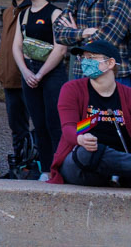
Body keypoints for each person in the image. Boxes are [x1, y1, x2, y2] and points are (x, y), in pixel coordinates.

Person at [49, 37, 129, 187]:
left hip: (120, 163)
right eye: (83, 57)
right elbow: (68, 128)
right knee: (88, 152)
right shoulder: (72, 89)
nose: (85, 61)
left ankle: (117, 172)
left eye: (91, 57)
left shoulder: (127, 95)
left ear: (110, 63)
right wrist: (80, 139)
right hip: (81, 165)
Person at [13, 0, 69, 178]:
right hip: (30, 72)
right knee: (38, 123)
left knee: (55, 121)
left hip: (52, 73)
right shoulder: (24, 14)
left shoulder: (55, 13)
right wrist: (26, 72)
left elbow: (60, 48)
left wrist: (41, 73)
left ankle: (61, 168)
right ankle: (46, 169)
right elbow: (16, 46)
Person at [0, 0, 30, 172]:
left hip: (26, 76)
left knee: (35, 126)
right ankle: (19, 164)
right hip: (9, 79)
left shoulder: (30, 10)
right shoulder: (9, 11)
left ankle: (33, 165)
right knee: (16, 127)